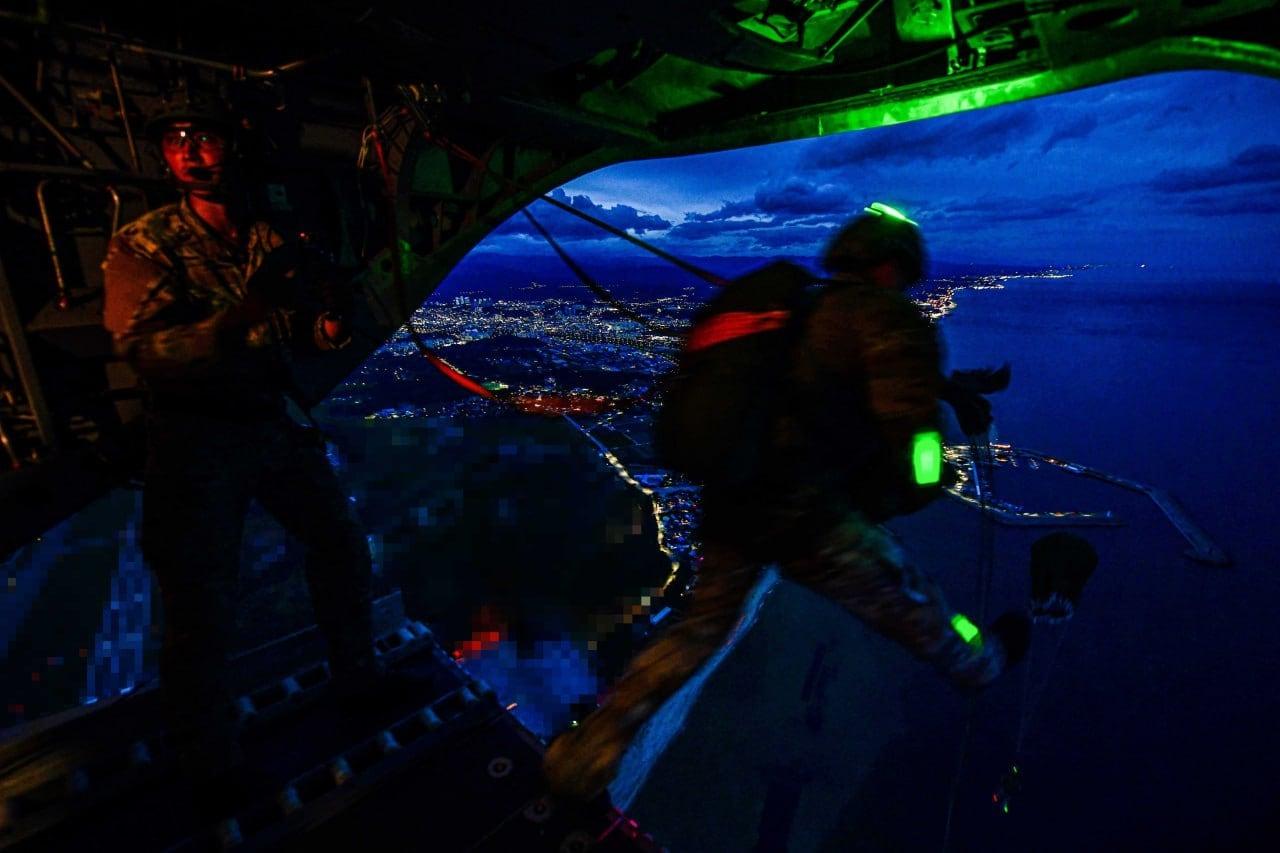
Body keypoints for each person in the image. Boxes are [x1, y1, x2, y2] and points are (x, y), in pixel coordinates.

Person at [543, 204, 1030, 802]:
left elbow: (820, 383)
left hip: (734, 500)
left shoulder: (802, 309)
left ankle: (582, 759)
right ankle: (981, 663)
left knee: (695, 633)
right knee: (911, 597)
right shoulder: (888, 316)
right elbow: (916, 445)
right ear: (892, 265)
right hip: (808, 516)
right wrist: (913, 489)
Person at [101, 91, 377, 789]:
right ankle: (210, 763)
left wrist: (330, 324)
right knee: (199, 603)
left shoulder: (267, 239)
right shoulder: (145, 243)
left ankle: (360, 681)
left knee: (341, 546)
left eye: (205, 138)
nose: (191, 153)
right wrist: (247, 311)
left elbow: (298, 335)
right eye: (176, 140)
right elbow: (146, 353)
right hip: (195, 438)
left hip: (268, 419)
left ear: (232, 147)